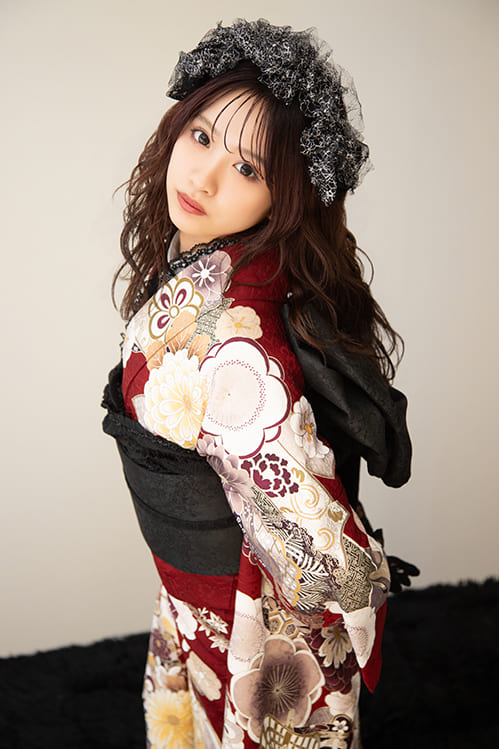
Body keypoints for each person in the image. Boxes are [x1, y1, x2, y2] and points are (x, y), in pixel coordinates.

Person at [102, 19, 413, 749]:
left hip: (256, 620)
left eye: (248, 168)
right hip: (196, 594)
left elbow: (298, 506)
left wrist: (357, 578)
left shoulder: (235, 339)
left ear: (285, 196)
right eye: (201, 136)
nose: (203, 176)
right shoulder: (206, 276)